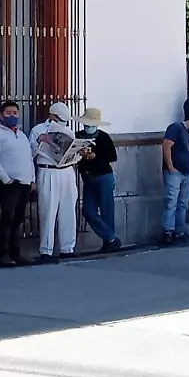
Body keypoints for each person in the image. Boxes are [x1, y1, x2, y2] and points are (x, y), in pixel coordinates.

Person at [0, 101, 36, 266]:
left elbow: (28, 158)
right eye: (8, 113)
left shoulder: (21, 135)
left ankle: (16, 253)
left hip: (24, 183)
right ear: (1, 115)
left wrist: (32, 180)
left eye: (15, 112)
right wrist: (6, 179)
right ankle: (3, 255)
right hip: (8, 184)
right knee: (7, 218)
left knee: (19, 218)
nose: (12, 116)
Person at [29, 102, 79, 262]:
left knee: (68, 210)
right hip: (47, 170)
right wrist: (40, 141)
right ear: (51, 116)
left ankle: (67, 247)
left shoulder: (69, 131)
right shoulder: (38, 130)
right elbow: (30, 153)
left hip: (66, 171)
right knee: (48, 211)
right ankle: (46, 250)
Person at [75, 108, 121, 253]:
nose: (88, 127)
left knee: (107, 210)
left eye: (91, 124)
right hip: (88, 178)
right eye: (86, 124)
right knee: (88, 211)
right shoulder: (78, 136)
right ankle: (111, 237)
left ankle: (108, 241)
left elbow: (112, 157)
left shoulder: (103, 138)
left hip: (103, 177)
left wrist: (95, 157)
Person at [161, 117, 189, 245]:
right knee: (172, 201)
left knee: (183, 202)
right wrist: (170, 166)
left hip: (186, 171)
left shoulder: (188, 132)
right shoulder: (176, 128)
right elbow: (167, 146)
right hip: (175, 171)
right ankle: (168, 231)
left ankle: (180, 230)